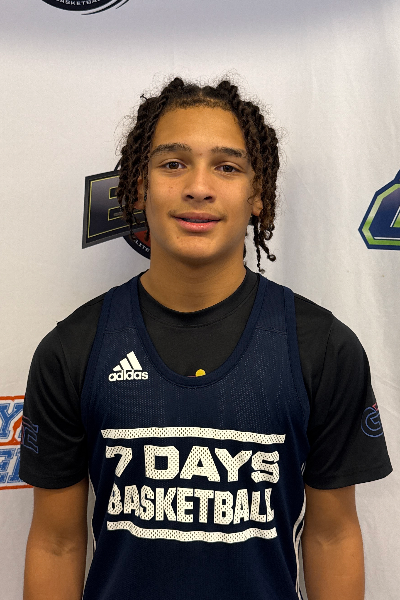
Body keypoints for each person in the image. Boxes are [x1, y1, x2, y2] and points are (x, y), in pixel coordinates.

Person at [20, 77, 392, 600]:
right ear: (139, 187)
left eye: (227, 167)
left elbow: (332, 535)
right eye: (173, 164)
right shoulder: (73, 349)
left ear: (257, 194)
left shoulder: (322, 347)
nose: (199, 186)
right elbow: (56, 543)